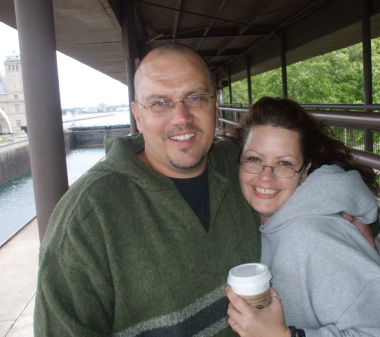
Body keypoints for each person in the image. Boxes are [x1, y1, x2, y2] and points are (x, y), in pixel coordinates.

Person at [34, 44, 261, 337]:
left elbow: (299, 171)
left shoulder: (241, 166)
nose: (181, 117)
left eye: (194, 98)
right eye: (160, 103)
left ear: (214, 103)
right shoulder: (86, 218)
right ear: (137, 115)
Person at [226, 97, 380, 337]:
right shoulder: (268, 219)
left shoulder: (313, 237)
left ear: (305, 170)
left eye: (285, 164)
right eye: (254, 159)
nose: (266, 177)